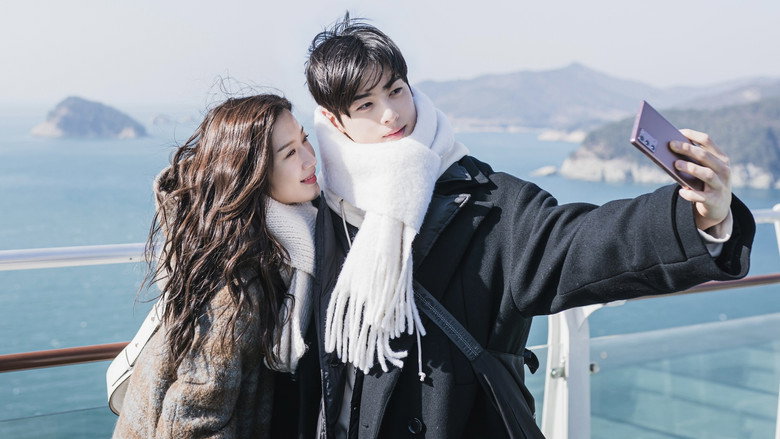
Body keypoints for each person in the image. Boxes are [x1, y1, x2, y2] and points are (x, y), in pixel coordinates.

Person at [301, 15, 756, 439]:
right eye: (366, 104)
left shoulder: (489, 203)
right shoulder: (323, 212)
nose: (390, 114)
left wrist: (697, 217)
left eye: (396, 90)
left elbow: (582, 243)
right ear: (335, 120)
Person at [112, 94, 320, 438]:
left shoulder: (288, 239)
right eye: (289, 153)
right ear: (251, 174)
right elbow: (192, 422)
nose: (310, 159)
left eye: (305, 139)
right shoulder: (232, 285)